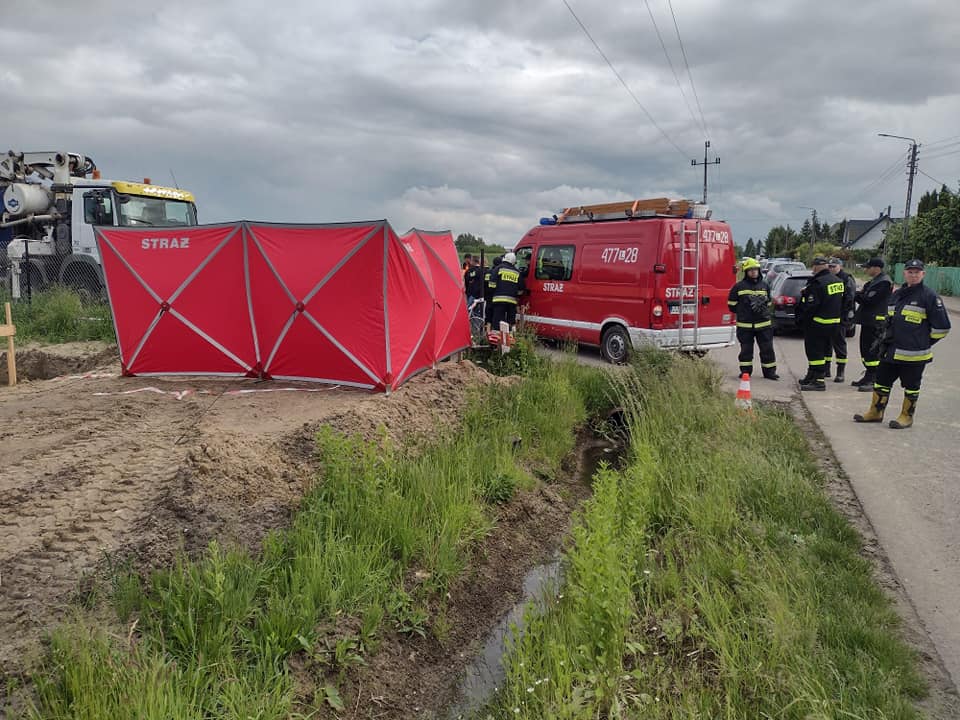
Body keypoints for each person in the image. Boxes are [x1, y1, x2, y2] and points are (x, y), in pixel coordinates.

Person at [854, 259, 951, 428]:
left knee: (911, 387)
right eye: (910, 272)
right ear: (904, 273)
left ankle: (906, 416)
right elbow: (889, 320)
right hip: (890, 351)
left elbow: (942, 328)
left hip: (914, 355)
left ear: (923, 274)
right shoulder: (897, 294)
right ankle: (876, 412)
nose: (913, 275)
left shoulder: (929, 296)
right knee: (881, 382)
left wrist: (923, 342)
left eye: (917, 272)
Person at [727, 257, 779, 379]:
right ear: (746, 271)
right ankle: (745, 372)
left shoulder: (765, 285)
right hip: (745, 326)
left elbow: (769, 303)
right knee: (746, 351)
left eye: (755, 269)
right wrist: (745, 309)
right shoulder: (738, 287)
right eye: (750, 270)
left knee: (767, 349)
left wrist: (762, 306)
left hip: (764, 325)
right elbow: (731, 305)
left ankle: (770, 373)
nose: (753, 272)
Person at [797, 256, 843, 391]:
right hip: (834, 323)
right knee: (824, 351)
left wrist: (802, 319)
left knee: (815, 352)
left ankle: (818, 381)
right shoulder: (838, 281)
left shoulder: (817, 283)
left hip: (817, 323)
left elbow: (812, 306)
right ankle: (811, 376)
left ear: (816, 267)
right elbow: (845, 301)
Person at [851, 257, 893, 390]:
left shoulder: (884, 282)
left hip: (876, 322)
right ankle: (869, 375)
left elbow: (868, 300)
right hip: (868, 320)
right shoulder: (874, 281)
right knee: (865, 350)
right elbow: (864, 295)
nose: (866, 269)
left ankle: (874, 378)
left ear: (876, 268)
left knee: (872, 351)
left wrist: (854, 294)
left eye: (868, 267)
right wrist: (858, 294)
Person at [823, 258, 857, 382]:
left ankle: (840, 372)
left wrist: (845, 316)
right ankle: (826, 370)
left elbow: (850, 298)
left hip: (840, 318)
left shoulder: (846, 278)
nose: (831, 269)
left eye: (834, 266)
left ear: (840, 267)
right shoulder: (827, 278)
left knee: (839, 344)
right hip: (827, 317)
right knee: (826, 344)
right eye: (830, 266)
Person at [490, 251, 523, 330]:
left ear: (504, 259)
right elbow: (521, 289)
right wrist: (515, 295)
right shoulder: (517, 272)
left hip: (499, 300)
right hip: (512, 302)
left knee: (498, 321)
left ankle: (497, 338)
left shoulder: (498, 268)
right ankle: (512, 337)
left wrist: (494, 292)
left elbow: (491, 284)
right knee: (511, 321)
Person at [483, 255, 502, 330]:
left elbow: (484, 284)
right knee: (496, 317)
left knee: (488, 317)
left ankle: (487, 333)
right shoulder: (499, 273)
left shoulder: (488, 272)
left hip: (488, 298)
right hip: (497, 298)